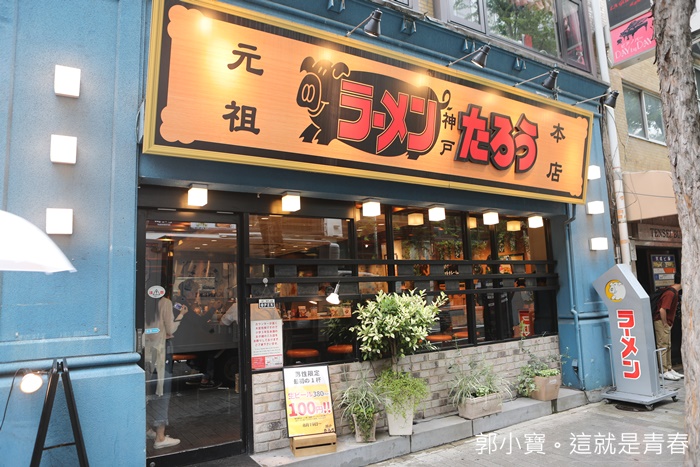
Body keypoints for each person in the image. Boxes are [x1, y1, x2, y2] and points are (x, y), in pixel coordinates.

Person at [144, 287, 188, 449]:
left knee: (146, 392)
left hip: (145, 351)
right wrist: (181, 314)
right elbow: (170, 329)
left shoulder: (143, 302)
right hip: (161, 352)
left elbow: (150, 330)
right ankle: (160, 437)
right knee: (162, 393)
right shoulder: (165, 302)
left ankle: (146, 429)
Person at [652, 273, 683, 381]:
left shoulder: (672, 291)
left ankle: (669, 368)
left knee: (668, 345)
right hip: (661, 321)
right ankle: (663, 370)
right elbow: (662, 309)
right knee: (663, 345)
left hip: (666, 321)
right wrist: (665, 323)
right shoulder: (670, 293)